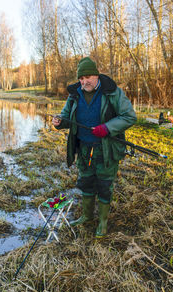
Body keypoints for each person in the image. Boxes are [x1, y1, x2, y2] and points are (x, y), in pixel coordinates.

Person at [52, 57, 137, 238]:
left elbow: (129, 116)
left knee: (105, 185)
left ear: (96, 75)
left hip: (106, 149)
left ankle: (103, 223)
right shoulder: (74, 94)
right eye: (81, 78)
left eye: (88, 76)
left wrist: (106, 128)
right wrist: (59, 121)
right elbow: (66, 115)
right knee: (86, 182)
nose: (84, 82)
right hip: (83, 148)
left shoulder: (112, 92)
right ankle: (87, 216)